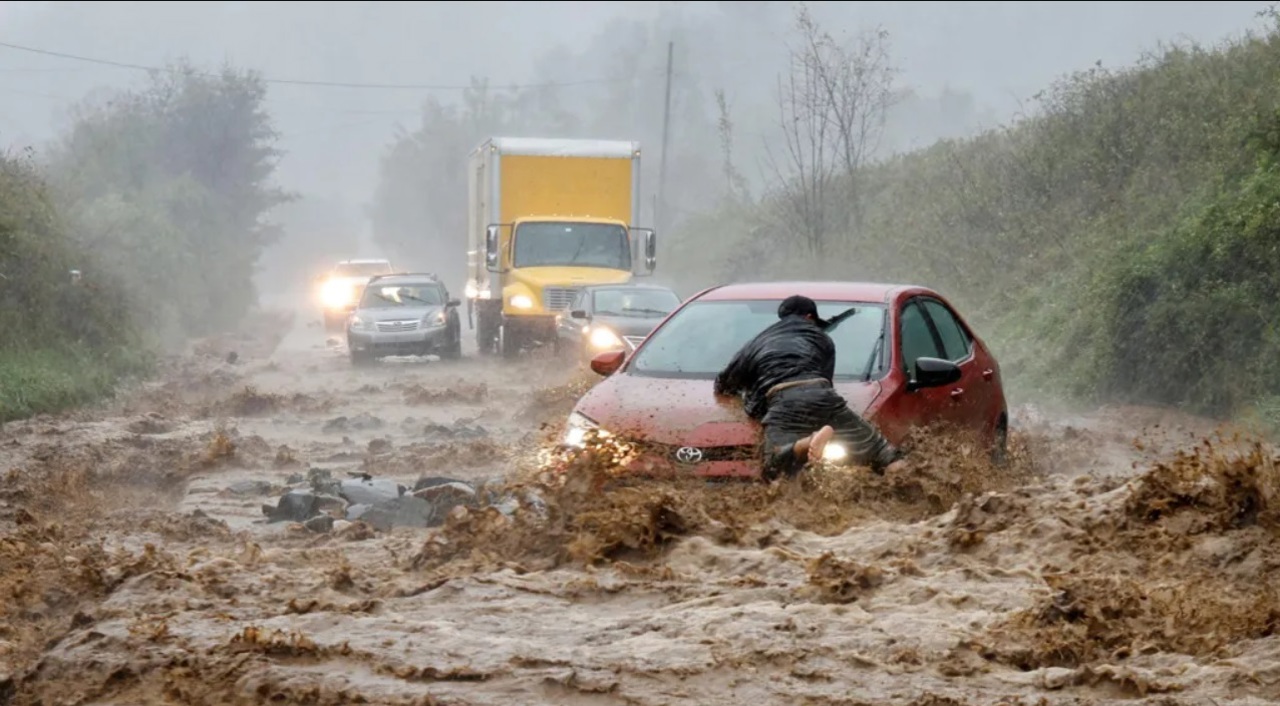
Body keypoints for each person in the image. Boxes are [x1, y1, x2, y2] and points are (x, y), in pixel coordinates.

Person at [714, 294, 906, 481]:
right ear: (809, 317)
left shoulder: (757, 342)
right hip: (822, 394)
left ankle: (807, 443)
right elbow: (826, 381)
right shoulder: (823, 339)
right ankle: (909, 492)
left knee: (772, 465)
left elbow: (724, 383)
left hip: (784, 400)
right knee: (883, 452)